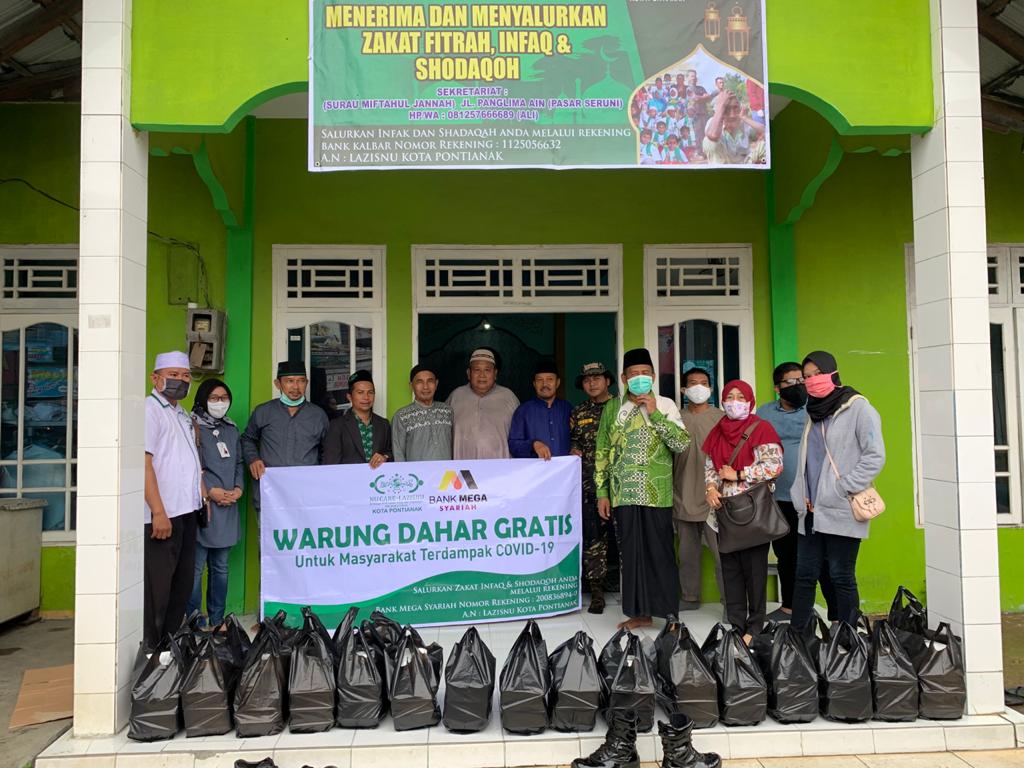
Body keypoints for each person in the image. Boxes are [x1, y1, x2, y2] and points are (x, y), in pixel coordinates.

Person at [595, 347, 690, 630]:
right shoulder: (613, 408)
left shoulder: (666, 404)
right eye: (633, 374)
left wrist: (655, 414)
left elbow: (681, 444)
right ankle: (639, 613)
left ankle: (670, 614)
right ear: (624, 378)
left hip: (656, 493)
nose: (639, 378)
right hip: (623, 492)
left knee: (660, 552)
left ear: (653, 376)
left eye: (644, 374)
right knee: (631, 555)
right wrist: (602, 492)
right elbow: (602, 450)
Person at [790, 351, 885, 631]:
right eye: (806, 377)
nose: (810, 381)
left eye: (815, 374)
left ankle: (848, 637)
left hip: (841, 507)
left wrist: (842, 488)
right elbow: (810, 460)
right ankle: (798, 637)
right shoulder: (815, 412)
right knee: (804, 575)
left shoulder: (859, 408)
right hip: (809, 510)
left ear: (832, 372)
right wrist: (802, 493)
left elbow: (874, 456)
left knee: (840, 575)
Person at [704, 379, 782, 643]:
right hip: (723, 514)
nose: (734, 402)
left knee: (755, 572)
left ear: (750, 401)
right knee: (731, 573)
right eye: (729, 396)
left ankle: (755, 626)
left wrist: (739, 473)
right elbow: (710, 468)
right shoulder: (717, 431)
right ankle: (737, 626)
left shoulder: (761, 428)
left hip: (752, 513)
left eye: (740, 397)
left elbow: (774, 466)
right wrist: (711, 489)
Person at [758, 361, 837, 622]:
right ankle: (789, 606)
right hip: (778, 499)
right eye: (790, 382)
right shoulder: (764, 413)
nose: (798, 386)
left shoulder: (816, 409)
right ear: (777, 388)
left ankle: (836, 614)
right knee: (785, 554)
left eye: (800, 380)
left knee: (823, 557)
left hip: (813, 498)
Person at [143, 351, 203, 649]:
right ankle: (153, 650)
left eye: (185, 376)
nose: (180, 381)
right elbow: (144, 463)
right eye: (173, 375)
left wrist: (200, 494)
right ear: (156, 378)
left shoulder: (181, 413)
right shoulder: (149, 411)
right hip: (163, 516)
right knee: (159, 590)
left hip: (186, 511)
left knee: (181, 586)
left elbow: (188, 459)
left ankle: (169, 648)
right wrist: (157, 511)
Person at [186, 378, 244, 628]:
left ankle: (217, 619)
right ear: (202, 399)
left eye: (224, 398)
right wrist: (210, 491)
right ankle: (194, 620)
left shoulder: (231, 429)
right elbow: (188, 465)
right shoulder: (191, 427)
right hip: (203, 506)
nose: (220, 403)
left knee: (220, 568)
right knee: (195, 570)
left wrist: (239, 488)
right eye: (214, 398)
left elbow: (239, 462)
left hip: (229, 507)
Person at [241, 360, 329, 510]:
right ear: (277, 384)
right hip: (271, 495)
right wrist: (253, 459)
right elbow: (247, 439)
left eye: (301, 381)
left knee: (306, 533)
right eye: (289, 381)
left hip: (306, 496)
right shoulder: (263, 412)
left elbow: (326, 451)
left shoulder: (318, 415)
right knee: (269, 534)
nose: (296, 387)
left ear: (306, 383)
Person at [671, 367, 726, 611]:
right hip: (682, 493)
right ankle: (689, 596)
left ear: (711, 389)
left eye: (704, 383)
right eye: (692, 383)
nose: (698, 387)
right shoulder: (675, 417)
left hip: (716, 496)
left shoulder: (722, 418)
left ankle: (730, 602)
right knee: (686, 553)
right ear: (684, 389)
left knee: (723, 554)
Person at [570, 362, 615, 614]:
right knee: (593, 541)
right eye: (587, 380)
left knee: (623, 541)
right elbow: (574, 440)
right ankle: (597, 593)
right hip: (589, 486)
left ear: (607, 380)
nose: (592, 383)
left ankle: (630, 590)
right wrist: (573, 448)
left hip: (620, 486)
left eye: (597, 378)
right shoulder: (579, 412)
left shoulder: (621, 408)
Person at [447, 347, 520, 459]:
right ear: (468, 373)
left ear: (495, 373)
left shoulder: (509, 397)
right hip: (463, 472)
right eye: (477, 370)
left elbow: (521, 436)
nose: (482, 375)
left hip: (502, 471)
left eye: (487, 370)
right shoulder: (455, 397)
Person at [322, 370, 392, 466]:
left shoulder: (383, 424)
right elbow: (331, 463)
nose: (366, 397)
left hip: (376, 479)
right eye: (360, 392)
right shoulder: (337, 426)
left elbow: (390, 452)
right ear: (349, 397)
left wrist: (385, 457)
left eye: (370, 392)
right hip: (348, 480)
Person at [509, 360, 573, 459]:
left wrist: (575, 449)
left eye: (550, 379)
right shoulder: (523, 411)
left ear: (558, 383)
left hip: (564, 472)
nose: (544, 385)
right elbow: (513, 445)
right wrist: (533, 445)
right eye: (539, 380)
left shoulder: (568, 409)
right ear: (534, 384)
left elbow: (578, 439)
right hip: (535, 472)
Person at [391, 364, 454, 462]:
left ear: (436, 384)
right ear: (411, 386)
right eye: (419, 382)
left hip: (446, 475)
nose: (425, 387)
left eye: (430, 381)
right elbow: (398, 454)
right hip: (418, 476)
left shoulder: (447, 411)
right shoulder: (402, 416)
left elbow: (455, 446)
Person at [703, 88, 766, 165]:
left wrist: (745, 118)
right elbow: (712, 135)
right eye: (727, 108)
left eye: (735, 107)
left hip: (744, 165)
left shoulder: (743, 123)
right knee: (709, 142)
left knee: (765, 145)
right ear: (720, 109)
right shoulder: (712, 122)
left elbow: (765, 132)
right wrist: (721, 105)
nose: (732, 115)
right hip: (723, 166)